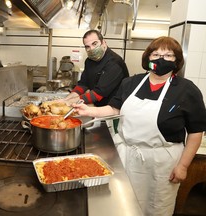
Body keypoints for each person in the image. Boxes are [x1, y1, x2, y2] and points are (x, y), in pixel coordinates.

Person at [73, 36, 206, 216]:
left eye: (168, 55)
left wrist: (183, 166)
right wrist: (88, 111)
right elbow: (114, 108)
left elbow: (196, 132)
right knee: (121, 204)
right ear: (148, 58)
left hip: (160, 164)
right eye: (156, 54)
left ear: (177, 61)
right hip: (126, 157)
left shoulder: (187, 90)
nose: (161, 59)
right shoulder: (131, 83)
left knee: (156, 208)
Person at [62, 29, 129, 107]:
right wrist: (66, 100)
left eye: (94, 44)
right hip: (99, 106)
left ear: (103, 42)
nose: (92, 49)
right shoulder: (89, 61)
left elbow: (98, 94)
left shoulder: (114, 62)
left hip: (114, 110)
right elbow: (83, 84)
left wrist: (71, 102)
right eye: (87, 47)